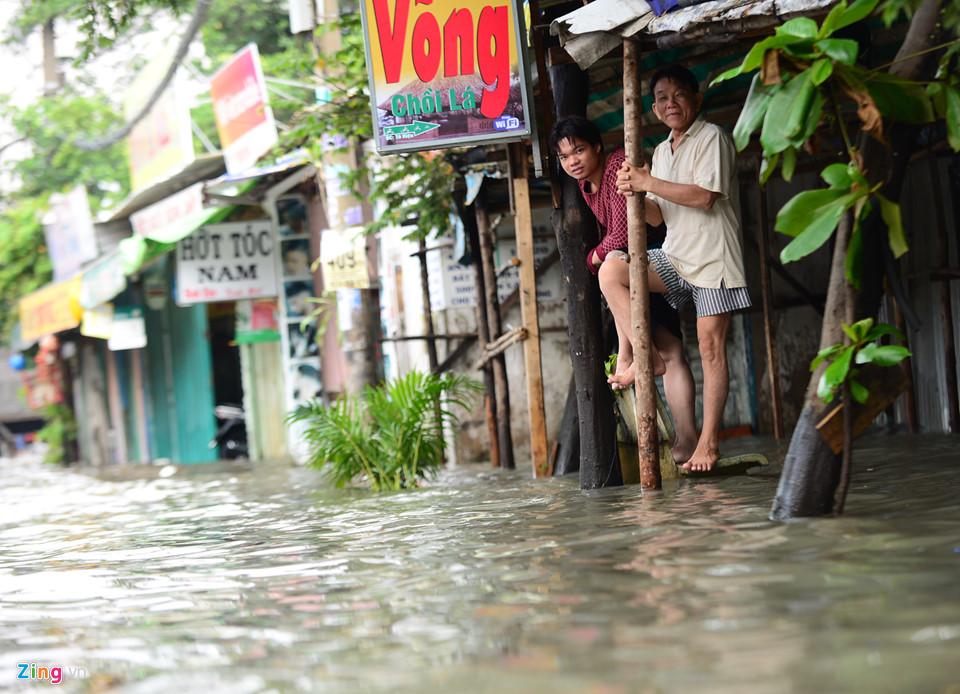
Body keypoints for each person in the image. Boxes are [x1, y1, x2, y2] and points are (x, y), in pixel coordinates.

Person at [616, 64, 751, 472]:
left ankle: (708, 444)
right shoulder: (661, 152)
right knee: (612, 270)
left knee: (711, 349)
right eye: (661, 98)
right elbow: (660, 218)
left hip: (714, 259)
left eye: (678, 95)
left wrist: (647, 183)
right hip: (675, 256)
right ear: (654, 109)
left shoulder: (712, 137)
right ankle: (646, 355)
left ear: (696, 98)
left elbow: (705, 197)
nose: (670, 103)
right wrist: (634, 191)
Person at [549, 115, 698, 465]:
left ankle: (637, 356)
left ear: (597, 147)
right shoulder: (587, 187)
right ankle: (687, 441)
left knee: (609, 268)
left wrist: (593, 256)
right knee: (673, 350)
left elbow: (620, 235)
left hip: (658, 261)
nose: (573, 161)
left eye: (579, 150)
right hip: (636, 270)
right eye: (565, 156)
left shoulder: (617, 165)